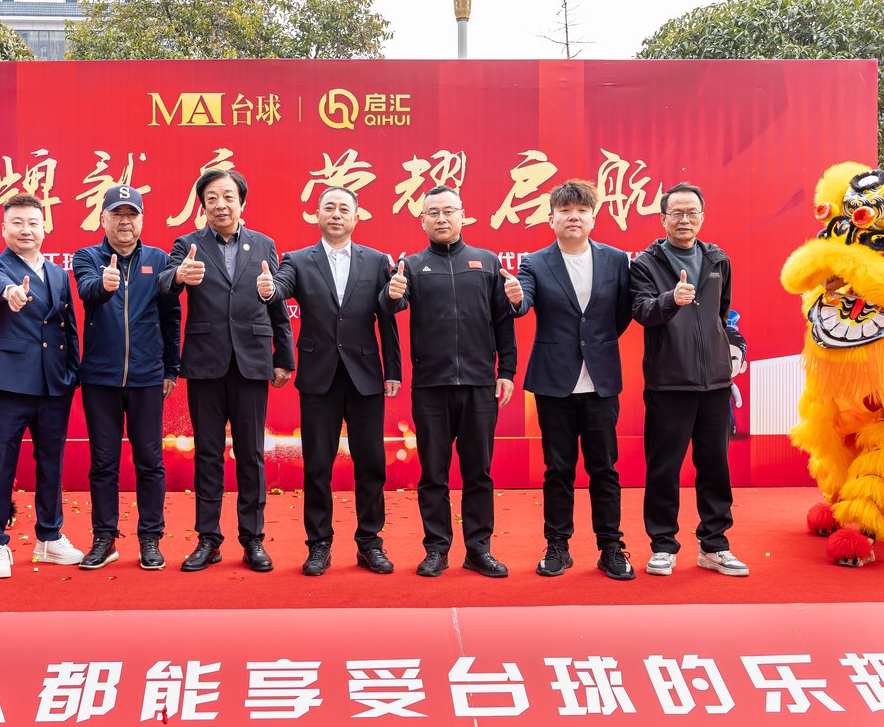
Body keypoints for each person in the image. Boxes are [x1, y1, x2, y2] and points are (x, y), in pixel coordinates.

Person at [157, 168, 294, 572]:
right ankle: (209, 538)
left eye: (228, 197)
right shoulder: (187, 244)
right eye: (212, 198)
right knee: (208, 453)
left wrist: (283, 357)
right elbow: (164, 284)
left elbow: (276, 303)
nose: (220, 205)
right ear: (202, 205)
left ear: (242, 202)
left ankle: (253, 539)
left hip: (252, 360)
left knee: (251, 453)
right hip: (206, 363)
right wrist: (179, 275)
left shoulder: (264, 244)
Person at [263, 185, 402, 576]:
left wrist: (392, 370)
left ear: (356, 217)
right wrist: (269, 289)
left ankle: (370, 543)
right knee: (318, 465)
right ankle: (319, 544)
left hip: (365, 376)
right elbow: (280, 288)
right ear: (317, 215)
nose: (336, 214)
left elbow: (388, 316)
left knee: (371, 463)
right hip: (319, 376)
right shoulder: (297, 260)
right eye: (329, 207)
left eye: (344, 208)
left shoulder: (377, 261)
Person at [382, 184, 517, 578]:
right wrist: (391, 294)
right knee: (433, 474)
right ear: (422, 220)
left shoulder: (487, 262)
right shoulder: (411, 265)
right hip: (431, 387)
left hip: (479, 386)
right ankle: (436, 550)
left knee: (479, 473)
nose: (442, 219)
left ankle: (479, 550)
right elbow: (391, 304)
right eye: (433, 212)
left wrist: (506, 372)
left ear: (462, 215)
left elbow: (503, 321)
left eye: (448, 211)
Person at [510, 180, 635, 580]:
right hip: (554, 383)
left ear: (593, 218)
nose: (573, 217)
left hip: (600, 382)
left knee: (605, 469)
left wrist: (597, 343)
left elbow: (622, 313)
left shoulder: (616, 260)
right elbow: (524, 301)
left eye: (581, 210)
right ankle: (557, 547)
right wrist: (515, 297)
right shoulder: (535, 262)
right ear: (551, 219)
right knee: (558, 469)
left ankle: (611, 547)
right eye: (565, 211)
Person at [629, 182, 749, 577]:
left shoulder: (718, 259)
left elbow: (721, 315)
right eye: (676, 213)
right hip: (668, 384)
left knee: (715, 467)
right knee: (663, 469)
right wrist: (671, 299)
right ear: (663, 218)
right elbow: (642, 312)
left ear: (702, 217)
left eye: (691, 212)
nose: (685, 219)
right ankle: (663, 545)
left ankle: (714, 546)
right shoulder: (645, 264)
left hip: (714, 384)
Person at [70, 185, 181, 571]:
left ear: (142, 220)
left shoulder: (158, 259)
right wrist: (104, 285)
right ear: (103, 219)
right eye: (117, 214)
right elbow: (87, 291)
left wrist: (171, 368)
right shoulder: (87, 256)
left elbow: (170, 317)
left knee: (150, 460)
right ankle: (104, 538)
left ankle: (150, 538)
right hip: (100, 378)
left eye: (131, 214)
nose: (124, 221)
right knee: (104, 462)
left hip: (147, 378)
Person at [0, 193, 83, 579]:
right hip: (11, 383)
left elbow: (69, 327)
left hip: (54, 383)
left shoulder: (58, 274)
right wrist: (11, 292)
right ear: (4, 228)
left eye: (33, 223)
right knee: (0, 462)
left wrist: (73, 372)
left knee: (51, 462)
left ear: (44, 228)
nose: (26, 230)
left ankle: (49, 537)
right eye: (17, 223)